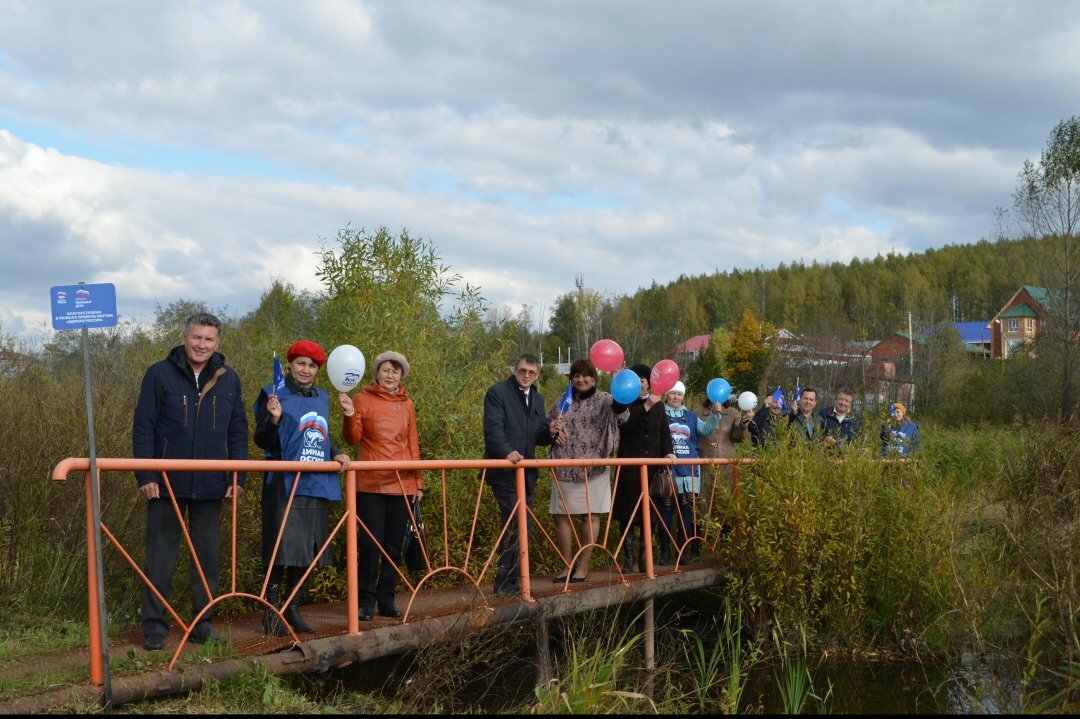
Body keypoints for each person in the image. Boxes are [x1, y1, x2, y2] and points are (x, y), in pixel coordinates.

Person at [132, 312, 248, 651]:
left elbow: (238, 429)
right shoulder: (159, 374)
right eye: (196, 338)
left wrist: (238, 474)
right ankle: (154, 627)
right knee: (159, 558)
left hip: (212, 485)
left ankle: (202, 624)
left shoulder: (229, 379)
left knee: (206, 559)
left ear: (217, 343)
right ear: (184, 338)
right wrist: (146, 474)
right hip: (166, 484)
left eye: (209, 339)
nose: (202, 345)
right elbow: (143, 426)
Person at [253, 341, 350, 636]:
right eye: (300, 364)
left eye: (312, 366)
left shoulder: (322, 396)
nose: (306, 370)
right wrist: (274, 419)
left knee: (306, 549)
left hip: (315, 482)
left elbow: (321, 432)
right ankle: (271, 612)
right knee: (280, 548)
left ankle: (292, 609)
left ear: (318, 370)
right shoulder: (273, 393)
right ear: (291, 365)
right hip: (282, 485)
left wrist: (335, 452)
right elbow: (262, 440)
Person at [342, 351, 423, 620]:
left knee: (392, 546)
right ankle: (365, 601)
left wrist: (418, 482)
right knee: (369, 545)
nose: (390, 375)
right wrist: (350, 414)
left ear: (402, 375)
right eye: (386, 370)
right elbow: (352, 438)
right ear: (377, 372)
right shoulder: (361, 399)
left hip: (401, 482)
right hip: (371, 482)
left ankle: (387, 599)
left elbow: (412, 443)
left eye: (396, 372)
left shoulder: (408, 404)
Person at [482, 354, 561, 595]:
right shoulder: (498, 393)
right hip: (504, 471)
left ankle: (512, 581)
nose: (526, 375)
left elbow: (537, 436)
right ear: (515, 370)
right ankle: (508, 582)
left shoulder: (537, 399)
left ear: (537, 374)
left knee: (522, 527)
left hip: (527, 475)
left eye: (532, 372)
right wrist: (507, 452)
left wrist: (552, 431)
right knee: (516, 525)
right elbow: (493, 429)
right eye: (523, 371)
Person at [547, 358, 629, 583]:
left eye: (586, 375)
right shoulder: (562, 402)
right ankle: (567, 565)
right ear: (571, 378)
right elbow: (548, 427)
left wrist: (619, 386)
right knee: (560, 516)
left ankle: (583, 566)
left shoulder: (606, 399)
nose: (581, 379)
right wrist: (551, 431)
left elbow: (622, 415)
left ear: (593, 378)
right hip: (563, 465)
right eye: (576, 375)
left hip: (594, 468)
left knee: (590, 516)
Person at [611, 364, 675, 574]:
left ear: (649, 381)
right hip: (630, 467)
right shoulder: (623, 401)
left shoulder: (659, 405)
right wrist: (646, 404)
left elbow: (664, 432)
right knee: (627, 511)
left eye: (643, 379)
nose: (640, 382)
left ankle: (643, 554)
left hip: (652, 468)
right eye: (636, 379)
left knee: (651, 512)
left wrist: (669, 453)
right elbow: (625, 425)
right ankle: (628, 557)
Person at [661, 382, 722, 564]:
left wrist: (715, 415)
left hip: (690, 473)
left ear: (683, 396)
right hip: (668, 473)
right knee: (666, 514)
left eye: (679, 394)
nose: (675, 397)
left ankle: (683, 552)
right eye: (672, 393)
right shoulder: (660, 414)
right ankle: (664, 553)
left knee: (687, 515)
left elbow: (706, 429)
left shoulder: (691, 417)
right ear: (666, 395)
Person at [694, 394, 747, 533]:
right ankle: (697, 544)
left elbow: (738, 438)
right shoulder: (698, 412)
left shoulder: (733, 413)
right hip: (703, 464)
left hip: (726, 466)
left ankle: (723, 543)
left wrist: (743, 424)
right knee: (701, 503)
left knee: (724, 502)